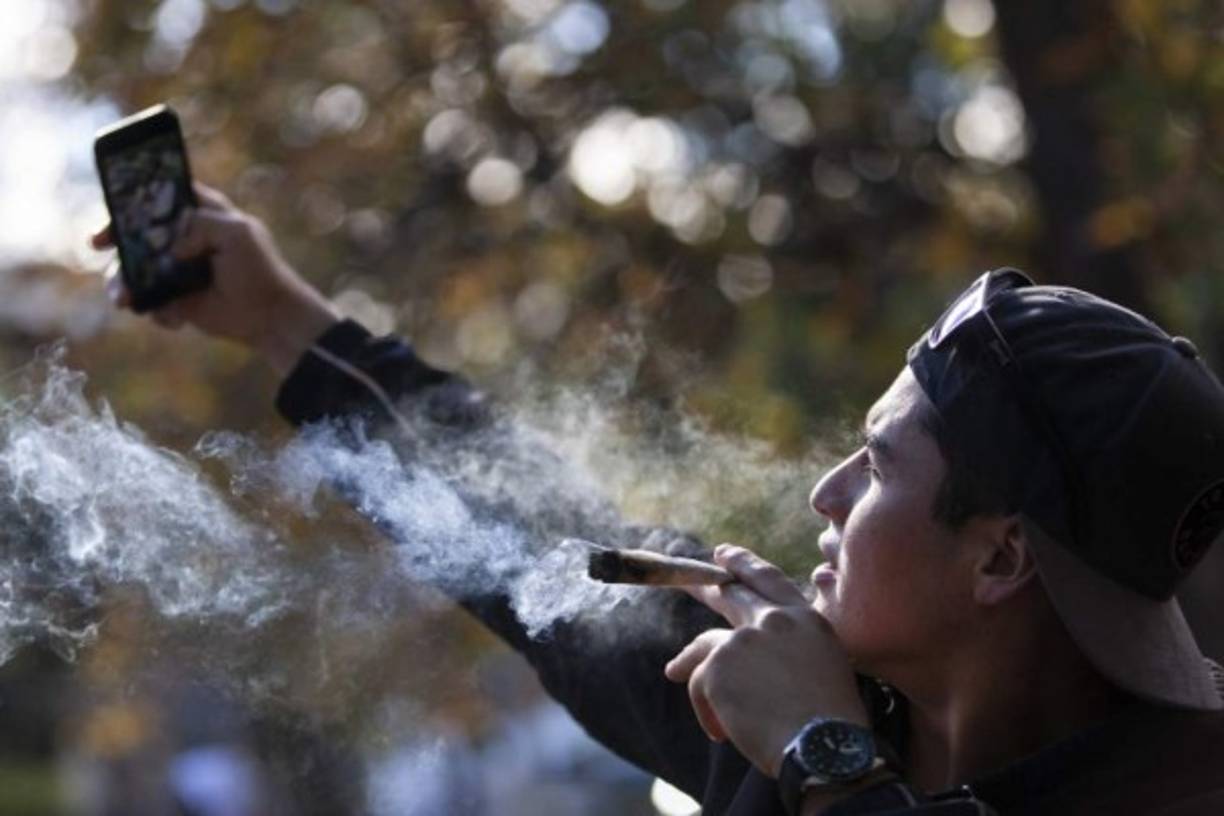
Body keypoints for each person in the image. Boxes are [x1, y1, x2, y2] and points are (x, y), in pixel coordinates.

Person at [92, 185, 1224, 815]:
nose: (824, 493)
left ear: (998, 559)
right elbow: (530, 540)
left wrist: (826, 761)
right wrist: (284, 317)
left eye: (877, 466)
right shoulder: (789, 693)